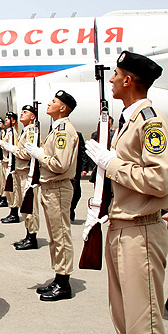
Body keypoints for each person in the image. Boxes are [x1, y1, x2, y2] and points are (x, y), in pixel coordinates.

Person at [85, 51, 167, 333]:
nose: (112, 80)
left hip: (140, 230)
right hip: (121, 227)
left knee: (144, 322)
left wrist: (112, 163)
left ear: (129, 80)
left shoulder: (150, 122)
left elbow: (160, 179)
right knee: (122, 317)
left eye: (116, 75)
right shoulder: (127, 121)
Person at [25, 90, 79, 301]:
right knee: (55, 236)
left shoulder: (64, 130)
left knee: (61, 235)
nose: (49, 104)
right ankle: (59, 276)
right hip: (51, 188)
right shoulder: (57, 129)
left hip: (57, 187)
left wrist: (39, 154)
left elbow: (60, 164)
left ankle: (64, 282)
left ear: (63, 108)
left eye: (54, 102)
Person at [3, 105, 40, 250]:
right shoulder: (25, 131)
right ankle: (28, 234)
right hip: (20, 172)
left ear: (33, 117)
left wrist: (12, 148)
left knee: (30, 207)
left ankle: (32, 236)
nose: (22, 114)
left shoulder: (31, 132)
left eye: (26, 112)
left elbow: (26, 153)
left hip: (27, 173)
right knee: (24, 206)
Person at [0, 112, 20, 223]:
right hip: (6, 162)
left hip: (11, 163)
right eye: (6, 118)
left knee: (13, 190)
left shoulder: (13, 133)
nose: (6, 120)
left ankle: (14, 213)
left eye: (9, 119)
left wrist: (2, 143)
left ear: (14, 121)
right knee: (7, 189)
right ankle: (11, 211)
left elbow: (13, 147)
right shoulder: (8, 132)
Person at [70, 131, 88, 221]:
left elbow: (82, 152)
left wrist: (84, 168)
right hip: (63, 168)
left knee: (76, 191)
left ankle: (71, 208)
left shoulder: (77, 135)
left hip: (75, 168)